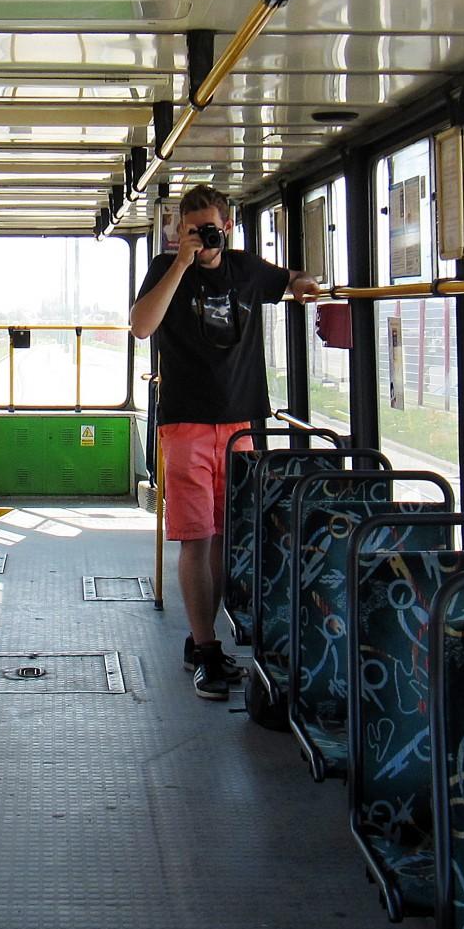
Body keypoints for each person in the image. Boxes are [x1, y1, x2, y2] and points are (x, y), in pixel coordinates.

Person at [129, 183, 321, 700]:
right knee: (196, 537)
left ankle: (203, 642)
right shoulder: (164, 270)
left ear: (228, 227)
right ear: (180, 231)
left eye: (210, 230)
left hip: (241, 427)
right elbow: (142, 326)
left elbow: (290, 279)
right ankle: (206, 646)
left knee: (225, 536)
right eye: (193, 231)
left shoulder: (247, 270)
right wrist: (180, 263)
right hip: (187, 424)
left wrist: (304, 282)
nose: (204, 239)